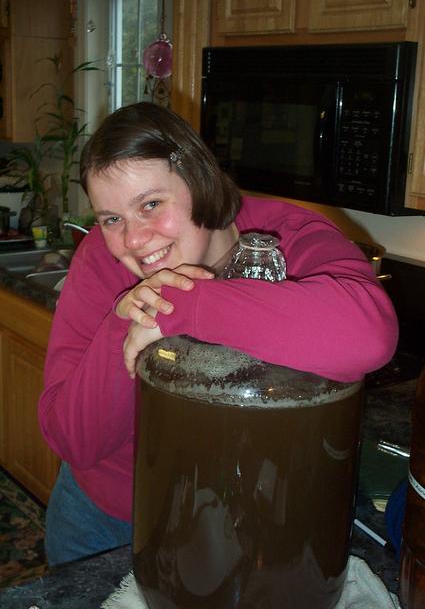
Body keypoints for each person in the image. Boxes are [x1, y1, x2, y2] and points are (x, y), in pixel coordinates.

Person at [38, 101, 398, 566]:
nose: (132, 239)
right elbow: (72, 440)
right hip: (104, 526)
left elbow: (369, 336)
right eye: (111, 218)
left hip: (239, 522)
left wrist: (179, 306)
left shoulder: (286, 237)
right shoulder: (99, 260)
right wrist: (127, 320)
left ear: (200, 179)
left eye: (151, 204)